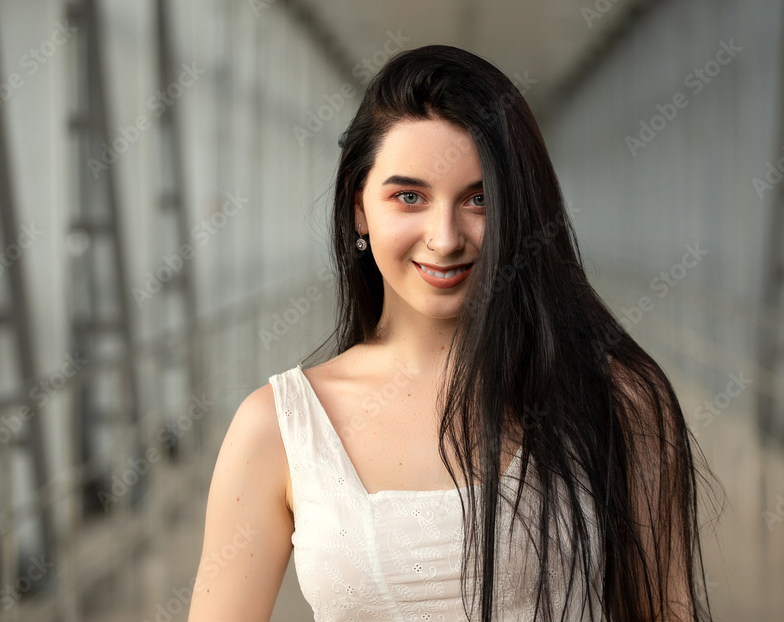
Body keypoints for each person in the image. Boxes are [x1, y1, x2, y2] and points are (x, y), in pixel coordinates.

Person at [187, 44, 719, 621]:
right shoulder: (278, 428)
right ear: (359, 208)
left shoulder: (619, 399)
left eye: (480, 199)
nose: (445, 237)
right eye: (408, 196)